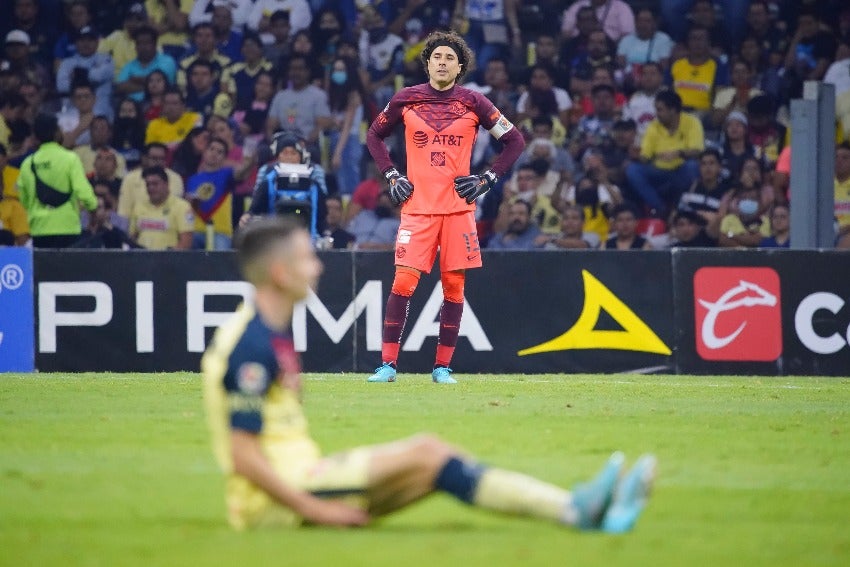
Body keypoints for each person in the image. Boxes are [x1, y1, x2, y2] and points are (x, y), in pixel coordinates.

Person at [200, 215, 657, 532]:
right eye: (306, 259)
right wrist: (311, 510)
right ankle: (574, 508)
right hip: (283, 499)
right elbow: (242, 455)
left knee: (435, 462)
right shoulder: (252, 345)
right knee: (427, 452)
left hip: (301, 481)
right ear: (280, 273)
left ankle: (581, 511)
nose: (317, 267)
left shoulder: (265, 332)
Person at [364, 30, 525, 384]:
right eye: (437, 56)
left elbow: (514, 141)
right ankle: (388, 366)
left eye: (449, 58)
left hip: (458, 211)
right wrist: (392, 175)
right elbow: (374, 135)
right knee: (402, 283)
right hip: (417, 208)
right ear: (427, 62)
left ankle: (442, 369)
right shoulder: (406, 99)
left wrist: (488, 179)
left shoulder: (475, 102)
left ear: (460, 66)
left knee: (453, 288)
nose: (442, 62)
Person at [16, 113, 97, 248]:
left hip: (39, 228)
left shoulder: (27, 164)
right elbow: (83, 192)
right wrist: (93, 210)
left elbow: (23, 199)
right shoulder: (70, 159)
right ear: (56, 133)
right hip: (68, 226)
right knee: (68, 269)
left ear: (35, 137)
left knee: (45, 269)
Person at [625, 90, 703, 217]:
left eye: (660, 110)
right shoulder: (653, 126)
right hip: (658, 171)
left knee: (693, 166)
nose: (656, 114)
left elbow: (697, 151)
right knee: (632, 170)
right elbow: (646, 156)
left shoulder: (692, 122)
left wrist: (679, 153)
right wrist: (637, 156)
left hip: (681, 170)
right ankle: (662, 209)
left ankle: (686, 207)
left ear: (672, 110)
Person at [128, 166, 194, 250]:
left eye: (155, 184)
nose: (151, 188)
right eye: (148, 184)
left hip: (168, 260)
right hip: (141, 259)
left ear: (166, 184)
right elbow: (132, 237)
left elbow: (186, 243)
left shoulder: (183, 207)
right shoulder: (139, 206)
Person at [0, 144, 30, 246]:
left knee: (17, 208)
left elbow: (27, 198)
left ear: (5, 158)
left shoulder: (18, 174)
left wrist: (8, 198)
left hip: (14, 213)